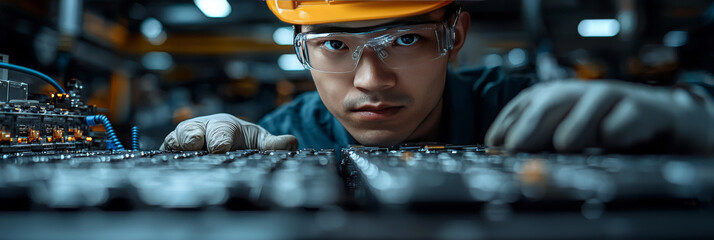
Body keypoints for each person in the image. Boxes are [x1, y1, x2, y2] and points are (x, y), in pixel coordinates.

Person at [160, 1, 714, 154]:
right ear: (302, 50)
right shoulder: (280, 138)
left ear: (455, 36)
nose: (371, 81)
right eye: (335, 44)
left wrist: (693, 118)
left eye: (405, 39)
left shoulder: (521, 105)